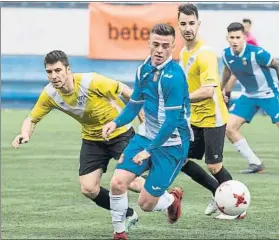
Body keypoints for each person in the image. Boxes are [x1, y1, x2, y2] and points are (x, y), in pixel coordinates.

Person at [11, 50, 146, 232]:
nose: (54, 76)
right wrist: (25, 133)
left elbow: (129, 93)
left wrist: (144, 121)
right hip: (92, 139)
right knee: (88, 188)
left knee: (131, 182)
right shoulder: (50, 93)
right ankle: (128, 213)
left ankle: (167, 199)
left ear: (68, 69)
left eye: (58, 70)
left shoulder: (92, 81)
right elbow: (32, 118)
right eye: (49, 72)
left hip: (119, 132)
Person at [102, 23, 191, 240]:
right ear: (148, 44)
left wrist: (149, 150)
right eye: (156, 44)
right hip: (146, 136)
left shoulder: (175, 77)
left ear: (173, 47)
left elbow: (170, 122)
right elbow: (134, 104)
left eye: (165, 46)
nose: (159, 50)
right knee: (117, 182)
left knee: (146, 204)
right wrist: (116, 122)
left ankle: (171, 200)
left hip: (172, 144)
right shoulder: (142, 70)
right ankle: (119, 232)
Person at [177, 4, 240, 220]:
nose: (188, 28)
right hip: (195, 117)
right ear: (178, 25)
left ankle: (235, 207)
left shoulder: (205, 54)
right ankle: (218, 193)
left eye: (191, 23)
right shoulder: (183, 52)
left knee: (214, 165)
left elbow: (207, 90)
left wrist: (180, 99)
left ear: (198, 24)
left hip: (213, 116)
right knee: (181, 159)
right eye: (183, 23)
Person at [222, 22, 279, 174]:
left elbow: (276, 65)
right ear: (227, 38)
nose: (234, 40)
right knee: (229, 128)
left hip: (269, 93)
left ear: (244, 38)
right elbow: (227, 71)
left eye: (238, 37)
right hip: (248, 95)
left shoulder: (257, 53)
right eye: (231, 37)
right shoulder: (226, 55)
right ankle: (255, 163)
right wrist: (222, 89)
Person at [223, 18, 259, 105]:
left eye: (247, 27)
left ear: (250, 27)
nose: (246, 28)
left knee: (232, 79)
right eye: (244, 26)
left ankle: (226, 103)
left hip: (247, 66)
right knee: (228, 78)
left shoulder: (251, 40)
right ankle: (225, 100)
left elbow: (254, 54)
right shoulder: (236, 38)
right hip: (237, 63)